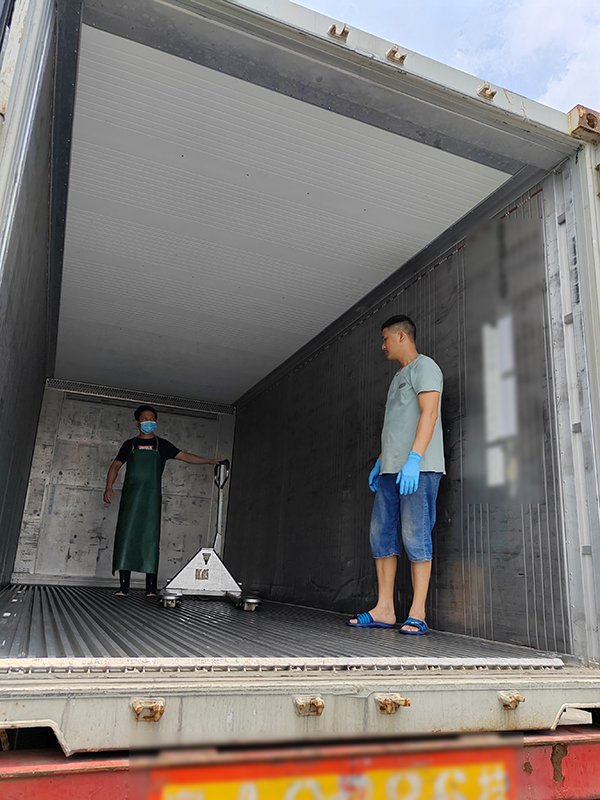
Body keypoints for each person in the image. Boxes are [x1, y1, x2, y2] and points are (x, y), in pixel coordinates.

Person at [349, 315, 445, 635]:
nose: (383, 345)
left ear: (402, 336)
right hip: (391, 471)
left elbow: (429, 414)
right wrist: (381, 462)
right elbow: (398, 427)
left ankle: (418, 613)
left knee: (416, 536)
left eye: (386, 338)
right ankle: (385, 609)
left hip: (419, 469)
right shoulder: (398, 378)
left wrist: (414, 458)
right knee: (382, 536)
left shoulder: (425, 367)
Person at [103, 404, 221, 597]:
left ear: (155, 422)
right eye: (145, 419)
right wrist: (109, 487)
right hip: (130, 498)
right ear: (137, 422)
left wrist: (208, 461)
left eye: (152, 419)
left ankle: (151, 588)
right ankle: (124, 587)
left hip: (151, 500)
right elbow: (115, 466)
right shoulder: (129, 445)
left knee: (150, 539)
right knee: (125, 537)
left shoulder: (162, 445)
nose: (148, 422)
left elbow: (185, 456)